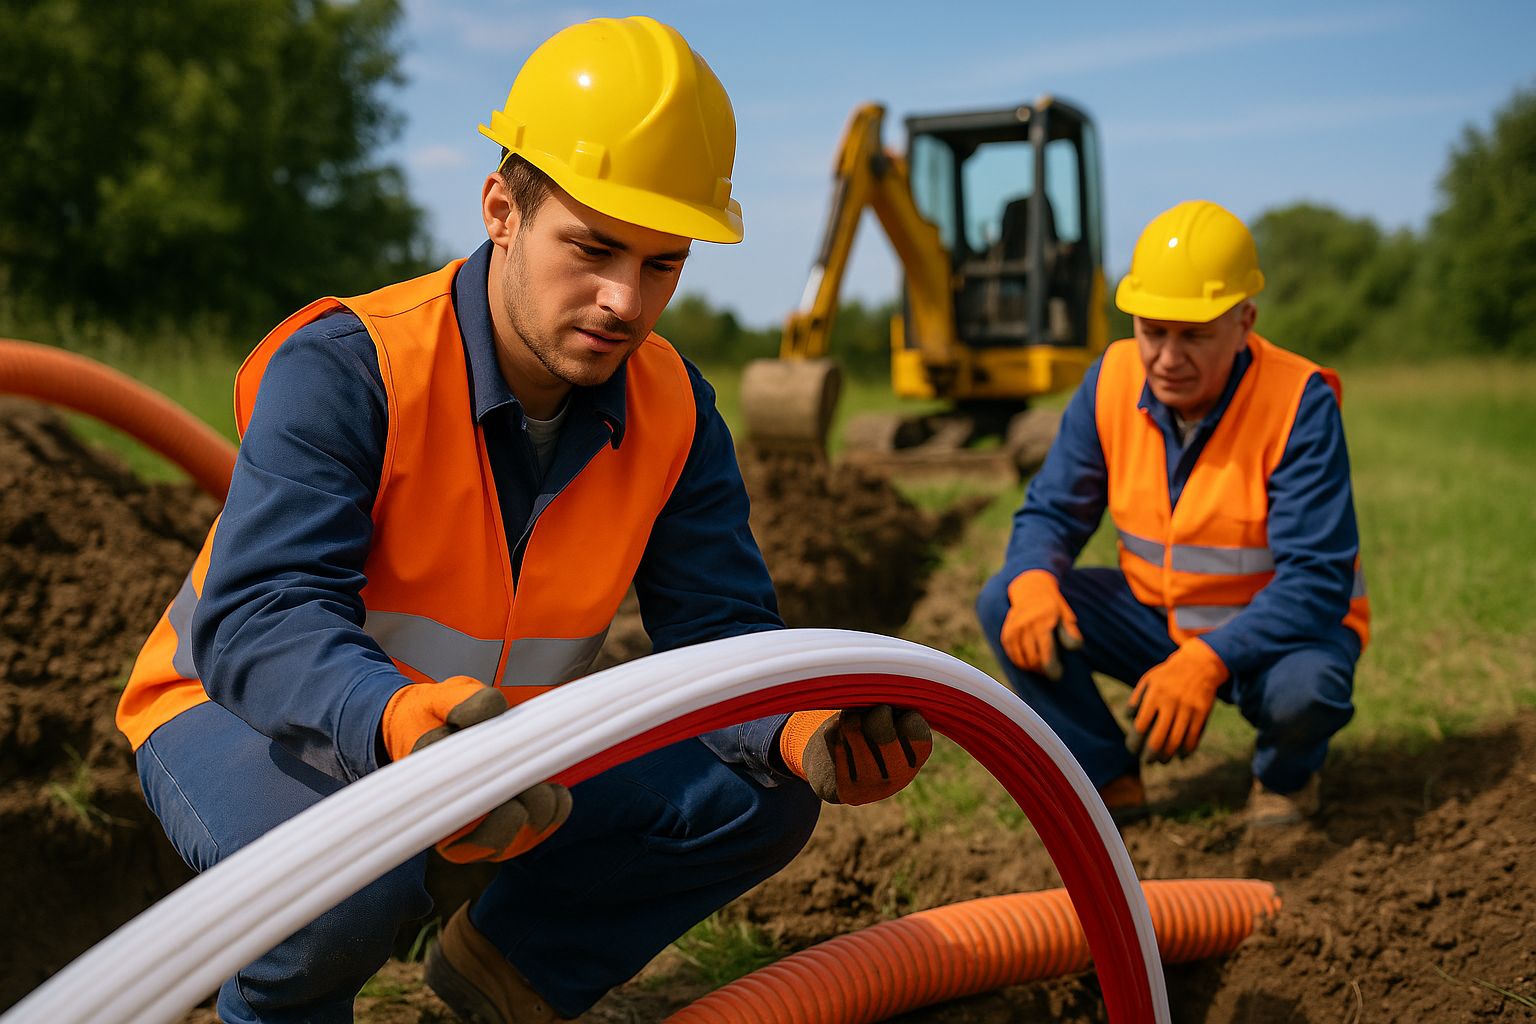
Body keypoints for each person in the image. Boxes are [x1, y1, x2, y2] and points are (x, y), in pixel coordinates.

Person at [115, 17, 932, 1024]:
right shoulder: (350, 366)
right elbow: (261, 619)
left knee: (755, 790)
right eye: (591, 249)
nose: (624, 301)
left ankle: (503, 976)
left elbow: (718, 633)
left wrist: (804, 724)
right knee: (339, 882)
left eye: (662, 264)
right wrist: (403, 727)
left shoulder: (676, 410)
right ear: (502, 209)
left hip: (481, 735)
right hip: (240, 709)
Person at [976, 199, 1369, 829]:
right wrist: (1033, 580)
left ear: (1244, 321)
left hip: (1278, 635)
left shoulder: (1299, 402)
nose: (1165, 357)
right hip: (1157, 617)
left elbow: (1318, 581)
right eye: (1152, 331)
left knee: (1308, 691)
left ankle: (1285, 781)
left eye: (1194, 336)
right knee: (1008, 601)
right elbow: (1051, 510)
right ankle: (1110, 779)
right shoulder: (1111, 379)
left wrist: (1206, 661)